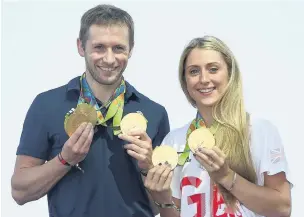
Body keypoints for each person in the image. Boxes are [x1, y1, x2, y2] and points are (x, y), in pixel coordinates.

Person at [11, 4, 170, 217]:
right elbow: (20, 191)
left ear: (131, 49)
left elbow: (164, 206)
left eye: (118, 48)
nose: (109, 58)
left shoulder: (155, 113)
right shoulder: (46, 105)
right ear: (80, 46)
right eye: (99, 47)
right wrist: (65, 160)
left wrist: (147, 168)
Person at [144, 35, 293, 217]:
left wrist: (227, 177)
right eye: (193, 71)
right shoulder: (174, 141)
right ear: (184, 81)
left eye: (213, 69)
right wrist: (162, 198)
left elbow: (282, 208)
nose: (204, 79)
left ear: (230, 74)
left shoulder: (259, 130)